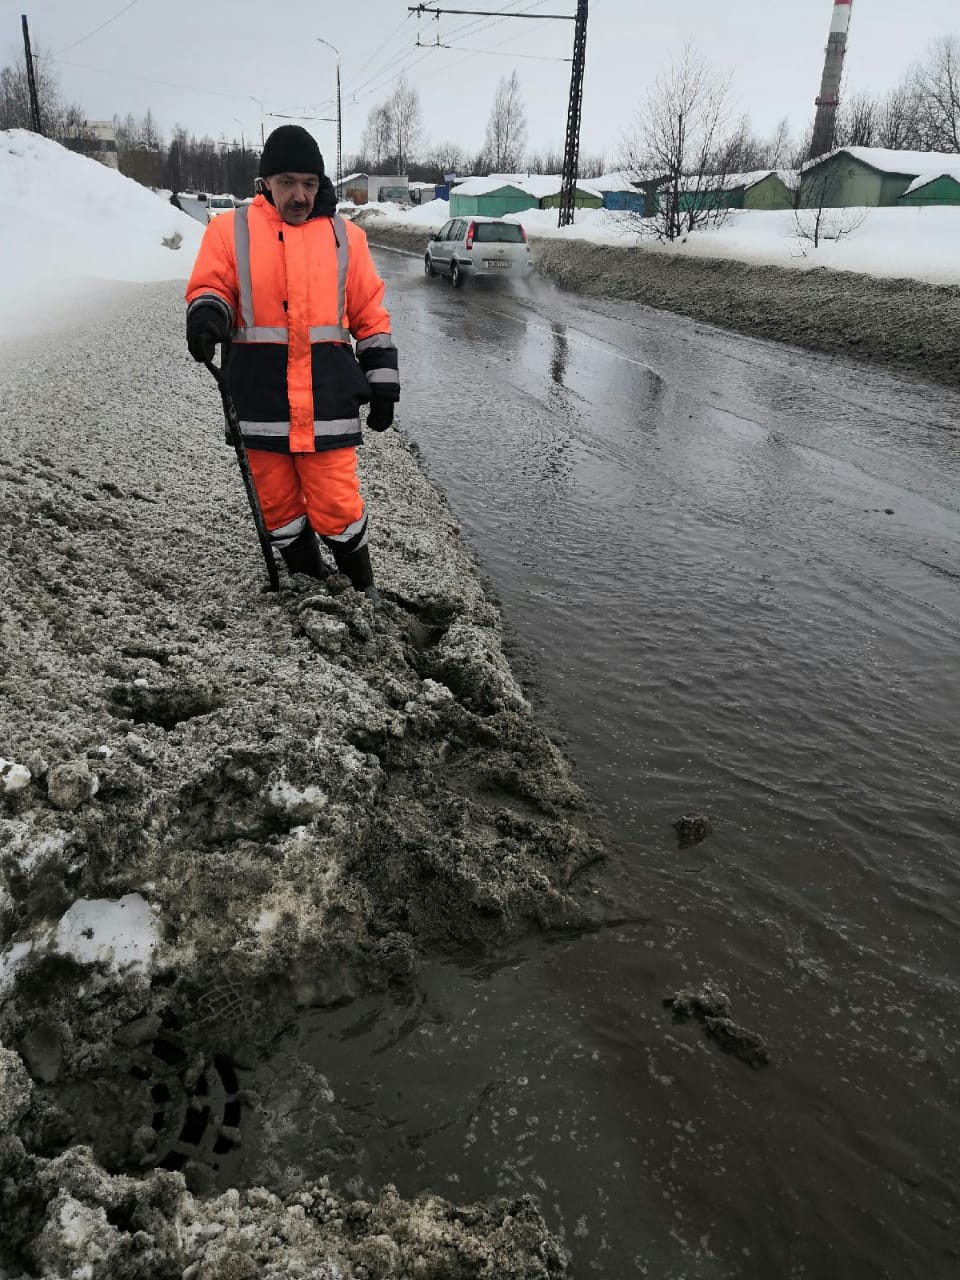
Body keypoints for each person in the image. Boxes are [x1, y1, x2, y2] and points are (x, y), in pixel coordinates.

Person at [184, 124, 399, 596]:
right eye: (287, 183)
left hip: (326, 400)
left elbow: (369, 315)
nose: (299, 195)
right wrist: (206, 315)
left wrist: (383, 384)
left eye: (309, 183)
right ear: (266, 183)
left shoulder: (348, 239)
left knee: (337, 506)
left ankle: (361, 593)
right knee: (276, 507)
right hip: (258, 401)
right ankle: (308, 582)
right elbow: (211, 286)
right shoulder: (229, 231)